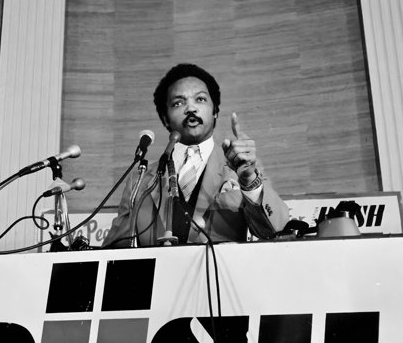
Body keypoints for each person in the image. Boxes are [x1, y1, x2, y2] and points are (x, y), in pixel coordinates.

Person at [102, 63, 291, 247]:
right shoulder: (140, 178)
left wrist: (249, 181)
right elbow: (114, 248)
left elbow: (274, 231)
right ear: (166, 118)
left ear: (215, 110)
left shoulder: (241, 166)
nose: (191, 108)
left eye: (200, 99)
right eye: (178, 102)